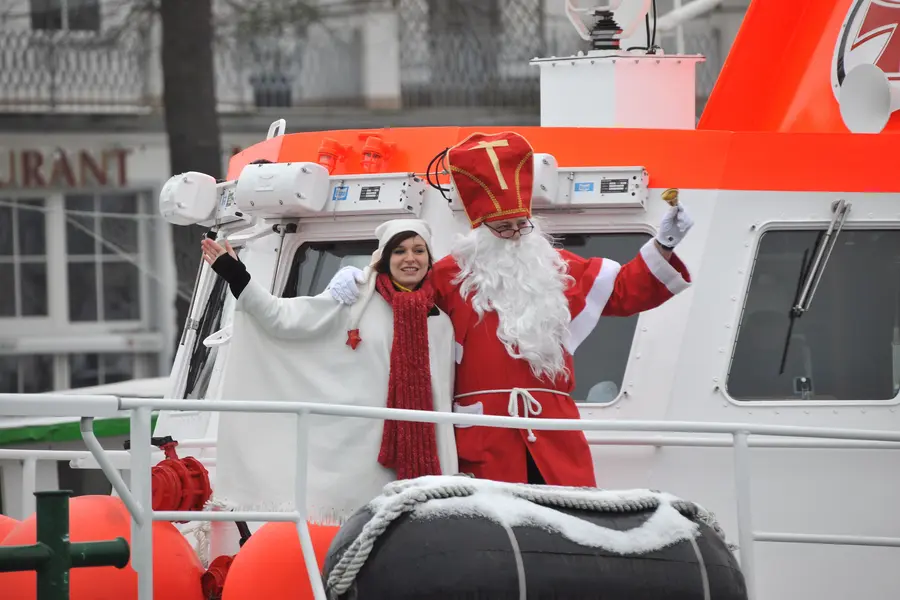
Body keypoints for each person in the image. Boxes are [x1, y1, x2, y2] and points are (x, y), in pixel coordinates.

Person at [327, 131, 694, 489]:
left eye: (522, 225)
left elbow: (625, 291)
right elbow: (401, 302)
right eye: (504, 228)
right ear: (481, 230)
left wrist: (663, 245)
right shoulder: (448, 276)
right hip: (484, 442)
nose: (517, 235)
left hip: (555, 439)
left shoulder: (555, 268)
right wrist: (363, 280)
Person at [202, 218, 458, 525]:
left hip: (417, 463)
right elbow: (281, 319)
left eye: (419, 250)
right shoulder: (351, 300)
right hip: (356, 456)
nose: (410, 258)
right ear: (384, 258)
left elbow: (441, 404)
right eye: (400, 250)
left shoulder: (440, 323)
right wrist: (235, 274)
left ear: (430, 260)